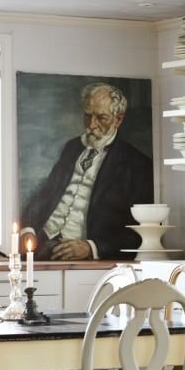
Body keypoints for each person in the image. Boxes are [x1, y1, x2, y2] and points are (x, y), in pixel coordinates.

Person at [21, 82, 153, 260]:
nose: (91, 125)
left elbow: (139, 232)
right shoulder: (72, 147)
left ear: (118, 119)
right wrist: (28, 230)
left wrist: (91, 248)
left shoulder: (136, 164)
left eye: (101, 118)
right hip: (42, 242)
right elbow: (46, 193)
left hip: (82, 255)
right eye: (87, 116)